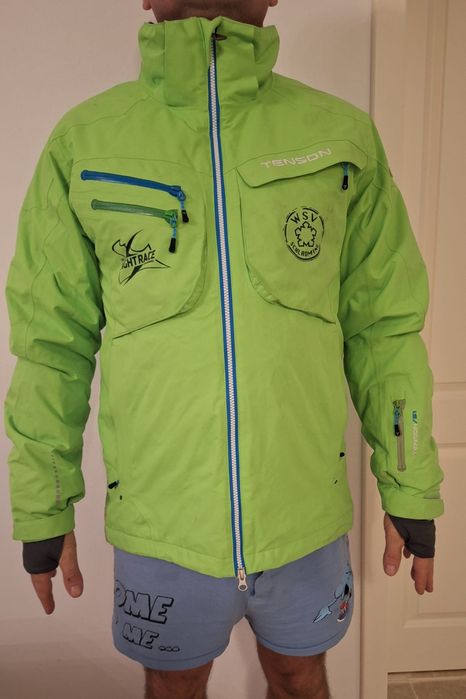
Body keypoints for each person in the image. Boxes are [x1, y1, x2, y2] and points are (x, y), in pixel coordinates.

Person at [3, 1, 445, 697]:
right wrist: (44, 500)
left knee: (301, 679)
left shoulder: (340, 138)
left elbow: (383, 327)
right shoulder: (83, 144)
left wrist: (409, 482)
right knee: (173, 688)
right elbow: (50, 343)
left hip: (305, 522)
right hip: (161, 529)